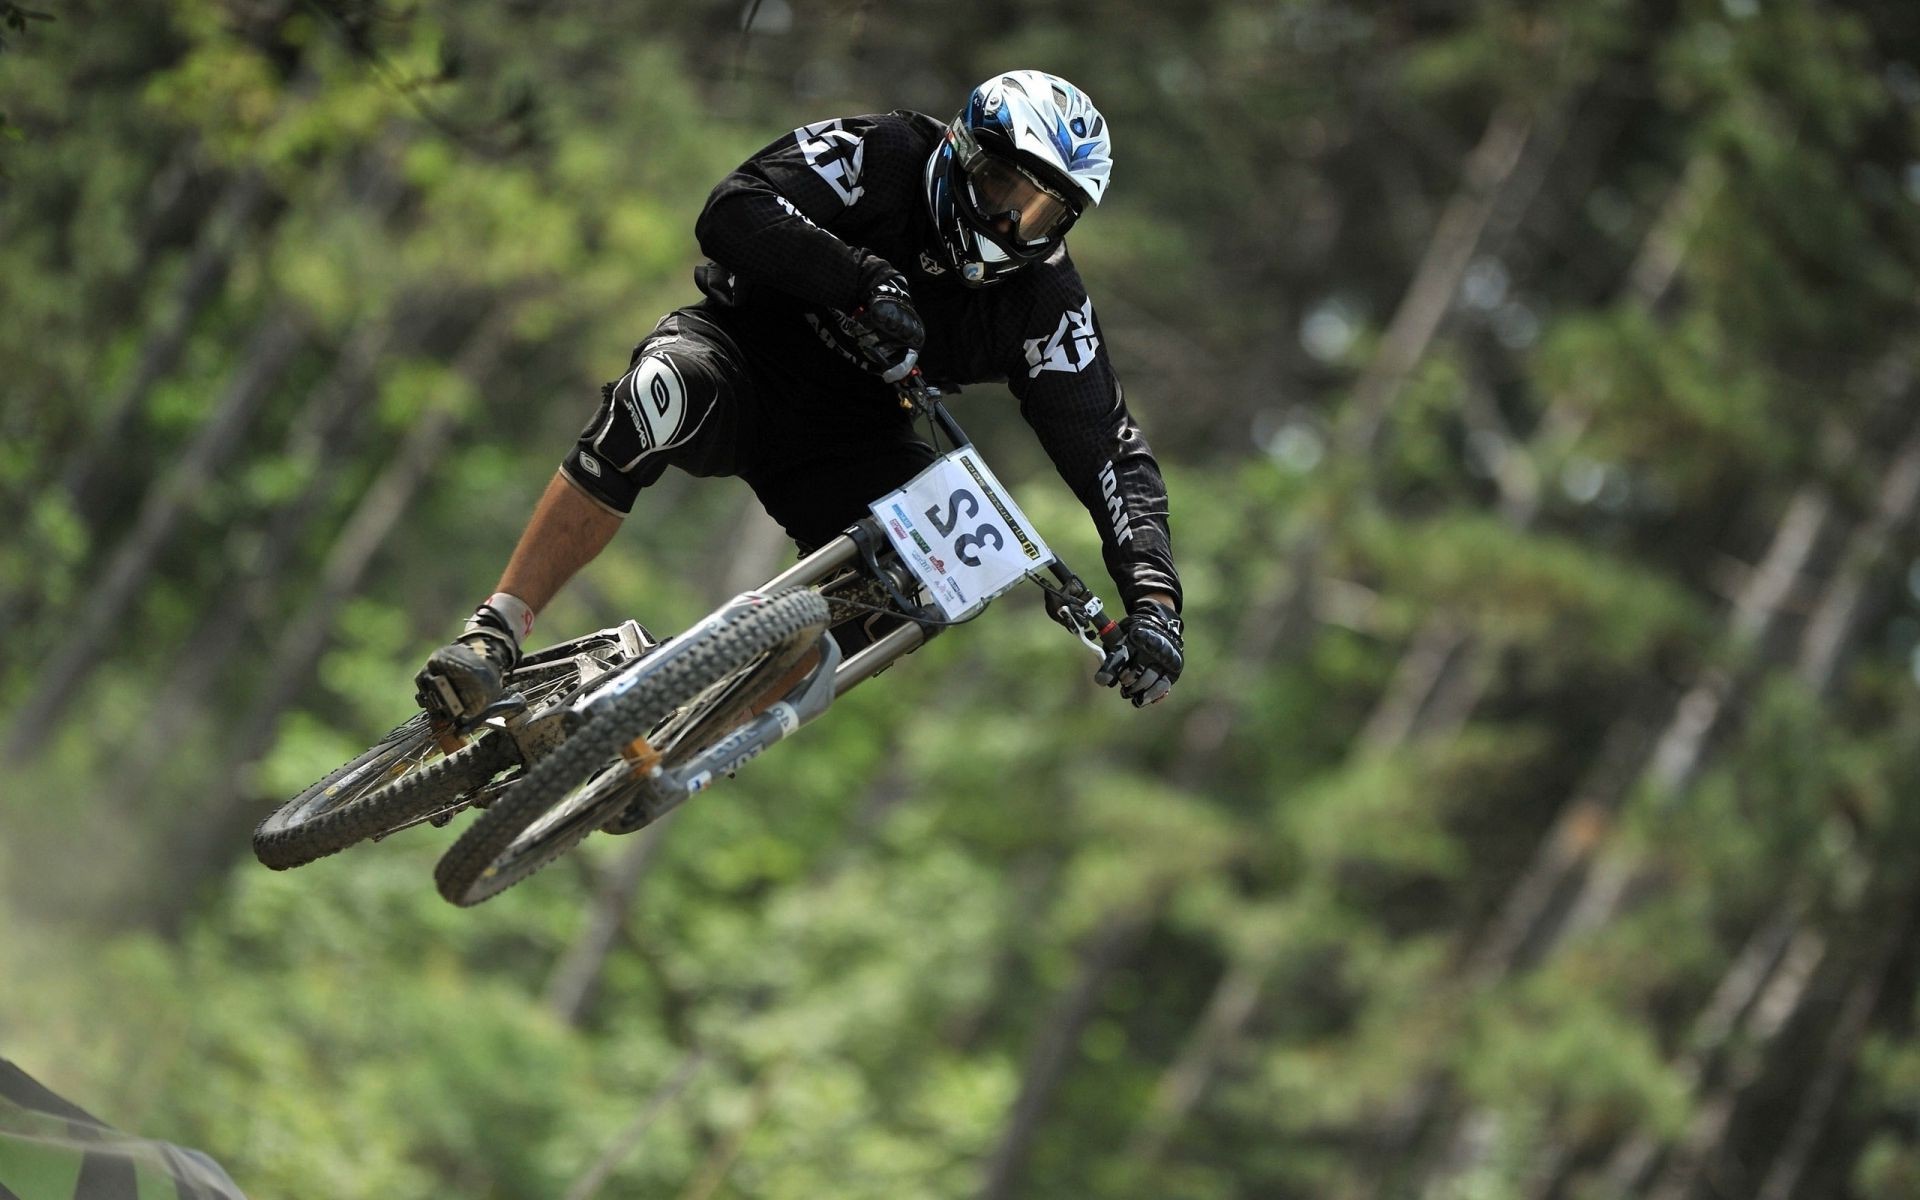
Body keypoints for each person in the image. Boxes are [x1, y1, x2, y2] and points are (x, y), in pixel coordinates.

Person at [416, 69, 1185, 723]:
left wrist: (1153, 602)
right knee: (656, 397)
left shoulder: (1046, 302)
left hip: (855, 436)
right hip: (742, 358)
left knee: (930, 579)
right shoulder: (883, 153)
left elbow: (1109, 449)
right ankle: (496, 630)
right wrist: (856, 277)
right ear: (961, 152)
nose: (1010, 221)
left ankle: (690, 738)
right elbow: (734, 206)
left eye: (1043, 211)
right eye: (1000, 185)